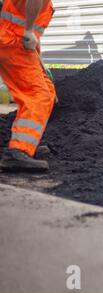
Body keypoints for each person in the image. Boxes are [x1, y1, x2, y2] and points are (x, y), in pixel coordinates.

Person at [0, 0, 55, 172]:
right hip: (15, 41)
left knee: (48, 90)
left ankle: (28, 143)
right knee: (38, 95)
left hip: (16, 40)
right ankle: (18, 151)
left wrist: (40, 61)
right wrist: (29, 30)